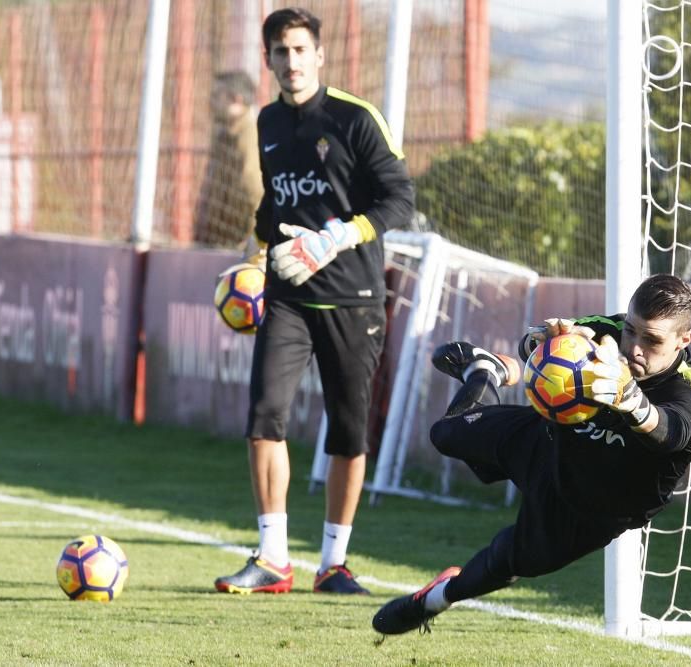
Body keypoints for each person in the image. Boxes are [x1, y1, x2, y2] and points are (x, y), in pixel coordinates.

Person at [372, 274, 691, 634]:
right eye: (632, 331)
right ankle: (485, 370)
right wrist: (546, 339)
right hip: (550, 445)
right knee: (446, 433)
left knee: (506, 563)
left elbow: (673, 434)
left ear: (684, 340)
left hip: (595, 506)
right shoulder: (608, 332)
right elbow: (533, 344)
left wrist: (629, 398)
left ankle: (434, 599)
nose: (634, 347)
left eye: (652, 340)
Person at [214, 7, 415, 596]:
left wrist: (338, 236)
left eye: (301, 50)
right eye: (281, 52)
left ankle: (334, 563)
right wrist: (255, 257)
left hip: (352, 299)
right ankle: (274, 557)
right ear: (268, 59)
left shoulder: (354, 118)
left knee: (348, 433)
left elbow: (398, 199)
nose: (292, 61)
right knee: (263, 418)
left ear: (319, 56)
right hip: (286, 301)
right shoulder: (268, 121)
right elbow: (273, 208)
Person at [193, 70, 264, 248]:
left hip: (238, 247)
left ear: (236, 99)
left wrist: (252, 241)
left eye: (217, 96)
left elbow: (254, 193)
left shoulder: (249, 138)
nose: (211, 102)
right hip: (217, 242)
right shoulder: (225, 135)